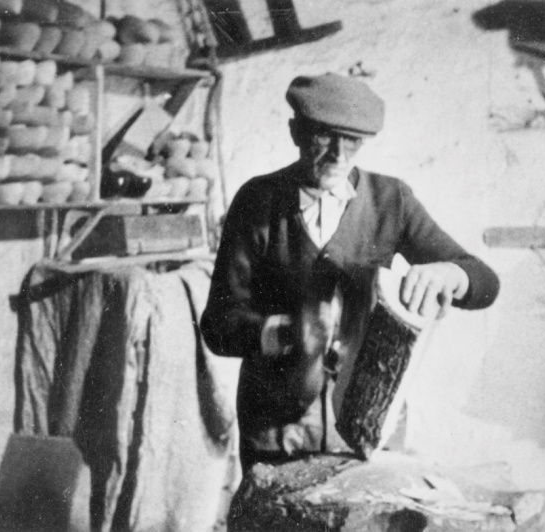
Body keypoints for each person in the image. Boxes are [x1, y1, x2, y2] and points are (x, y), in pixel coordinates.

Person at [200, 72, 500, 471]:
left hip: (368, 427)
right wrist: (287, 332)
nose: (339, 155)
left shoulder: (390, 199)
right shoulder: (258, 200)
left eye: (353, 140)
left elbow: (485, 283)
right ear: (296, 131)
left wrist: (451, 274)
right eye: (324, 136)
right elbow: (218, 325)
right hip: (277, 429)